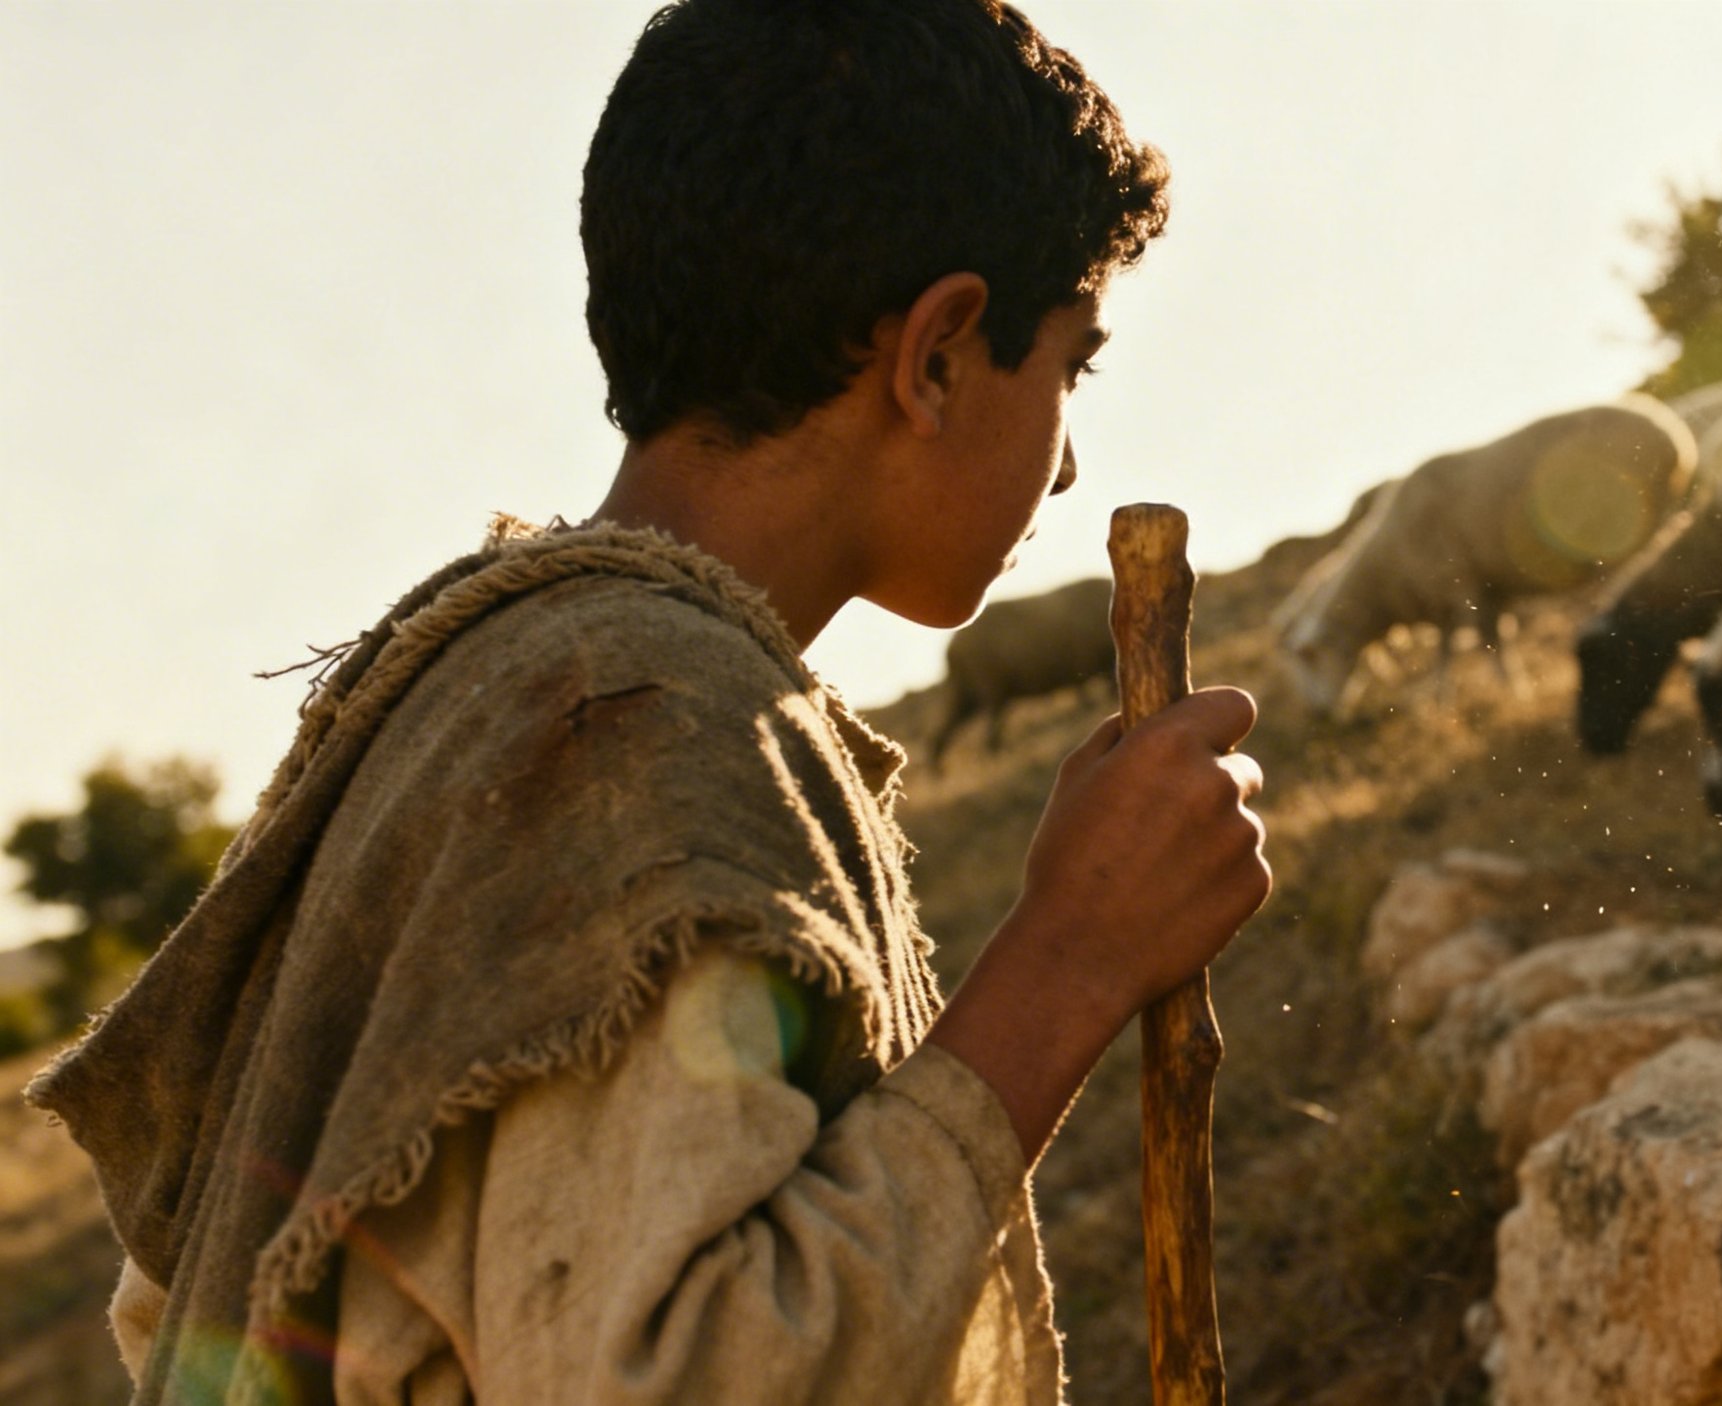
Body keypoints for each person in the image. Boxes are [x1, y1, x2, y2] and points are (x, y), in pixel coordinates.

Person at [27, 2, 1270, 1402]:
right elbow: (659, 1373)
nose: (1064, 466)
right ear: (937, 353)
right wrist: (1073, 959)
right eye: (1067, 364)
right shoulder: (640, 722)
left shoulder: (468, 687)